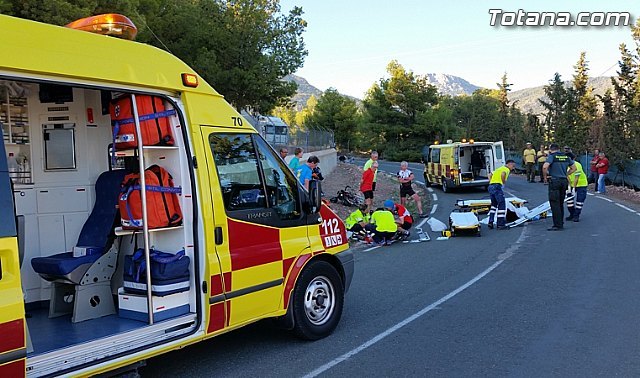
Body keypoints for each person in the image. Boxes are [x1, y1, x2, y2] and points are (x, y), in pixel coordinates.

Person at [542, 143, 576, 231]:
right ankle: (560, 222)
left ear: (551, 149)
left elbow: (545, 167)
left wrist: (545, 177)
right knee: (560, 202)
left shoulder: (552, 156)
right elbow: (574, 168)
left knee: (554, 203)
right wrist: (565, 174)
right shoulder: (565, 157)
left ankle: (557, 225)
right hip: (564, 181)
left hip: (555, 181)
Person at [487, 160, 516, 230]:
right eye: (513, 166)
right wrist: (503, 182)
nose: (513, 168)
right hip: (497, 187)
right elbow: (503, 174)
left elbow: (489, 174)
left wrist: (491, 181)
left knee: (494, 205)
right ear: (509, 164)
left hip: (491, 186)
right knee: (501, 204)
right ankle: (500, 224)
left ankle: (490, 221)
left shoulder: (499, 168)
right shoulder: (506, 169)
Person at [565, 153, 588, 222]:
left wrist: (574, 188)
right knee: (569, 201)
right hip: (571, 185)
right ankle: (572, 214)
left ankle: (576, 215)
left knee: (579, 201)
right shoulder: (565, 165)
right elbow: (566, 176)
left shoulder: (577, 165)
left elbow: (576, 178)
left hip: (581, 184)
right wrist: (569, 186)